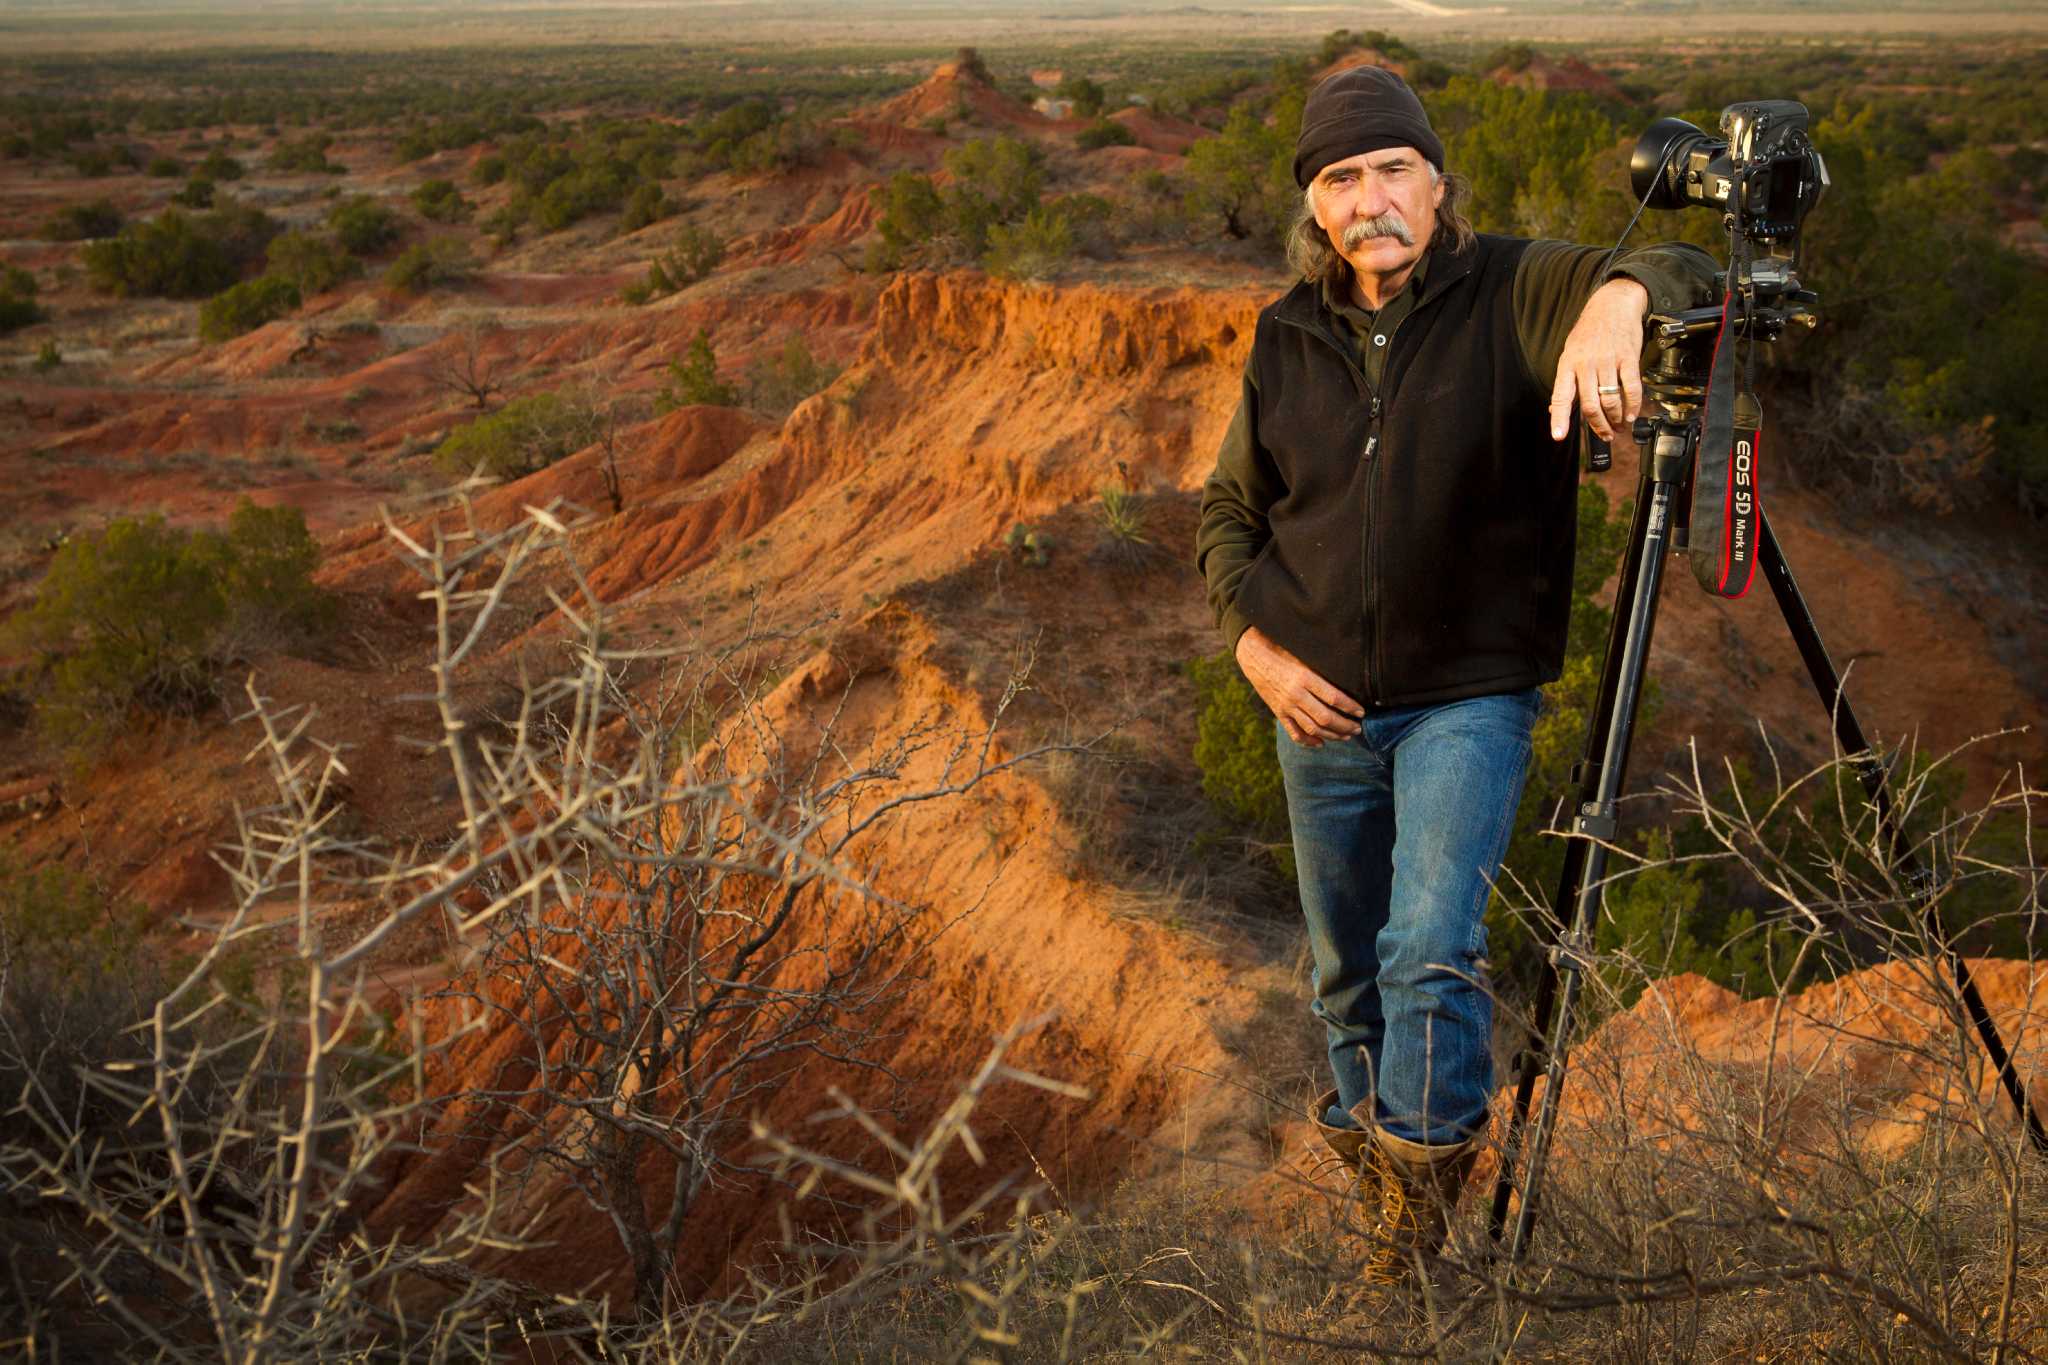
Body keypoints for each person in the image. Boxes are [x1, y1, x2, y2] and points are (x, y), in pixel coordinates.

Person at [1194, 64, 1716, 1284]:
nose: (1369, 196)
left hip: (1465, 698)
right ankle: (1377, 1173)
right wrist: (1252, 646)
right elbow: (1229, 511)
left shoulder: (1516, 291)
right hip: (1311, 706)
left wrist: (1615, 300)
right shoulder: (1284, 336)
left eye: (1390, 169)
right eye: (1340, 178)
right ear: (1315, 208)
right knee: (1344, 976)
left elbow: (1699, 276)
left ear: (1436, 183)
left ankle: (1410, 1232)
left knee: (1427, 941)